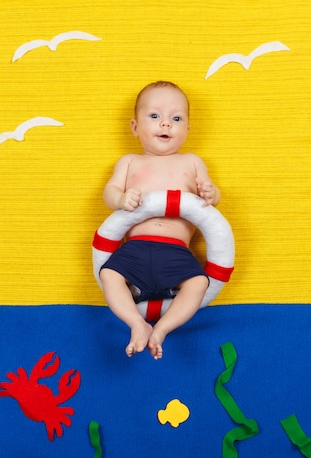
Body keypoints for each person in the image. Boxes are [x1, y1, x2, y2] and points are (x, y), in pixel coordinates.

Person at [100, 81, 220, 360]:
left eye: (176, 119)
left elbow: (211, 196)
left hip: (176, 250)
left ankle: (162, 328)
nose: (165, 124)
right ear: (134, 127)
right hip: (135, 249)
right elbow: (110, 191)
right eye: (155, 116)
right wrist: (120, 200)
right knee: (108, 274)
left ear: (187, 129)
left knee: (199, 283)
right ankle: (136, 323)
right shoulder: (129, 162)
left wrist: (211, 193)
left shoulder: (192, 162)